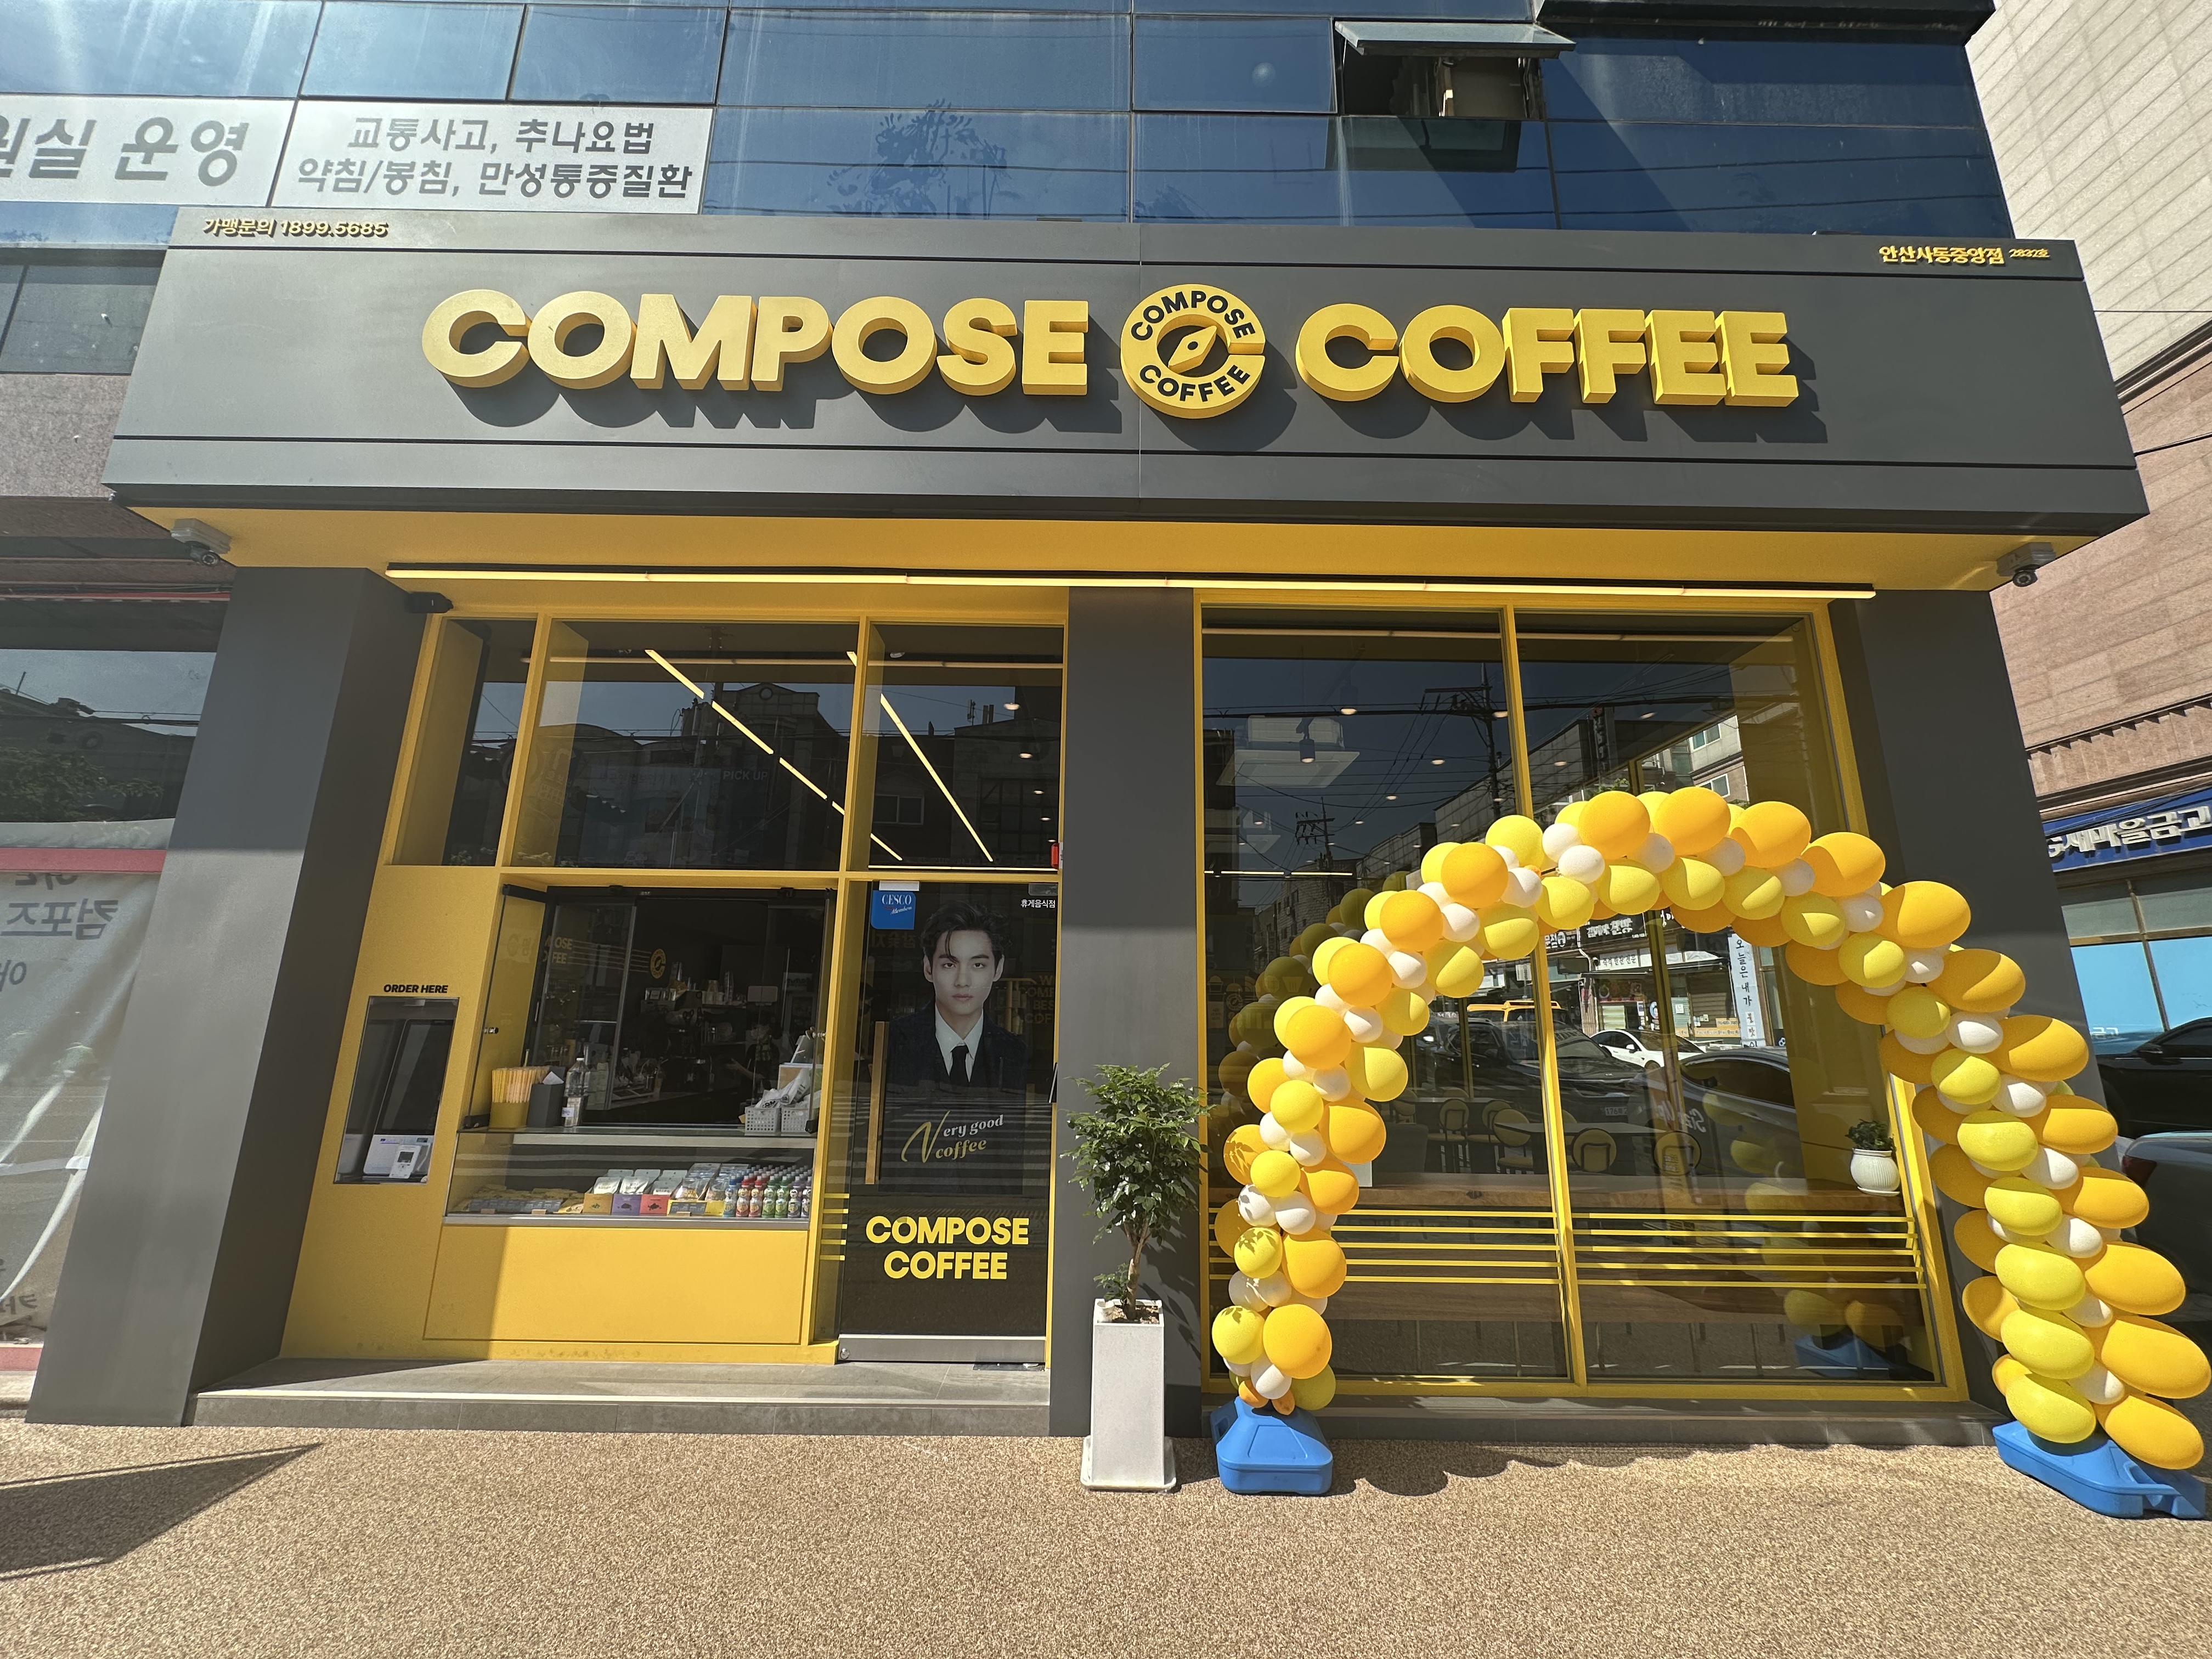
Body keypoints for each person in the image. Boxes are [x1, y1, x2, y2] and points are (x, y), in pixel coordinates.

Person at [882, 902, 1031, 1187]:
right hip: (909, 1199)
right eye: (949, 964)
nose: (963, 981)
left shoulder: (1014, 1052)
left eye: (978, 965)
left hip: (992, 1201)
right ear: (929, 968)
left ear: (998, 969)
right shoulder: (894, 1041)